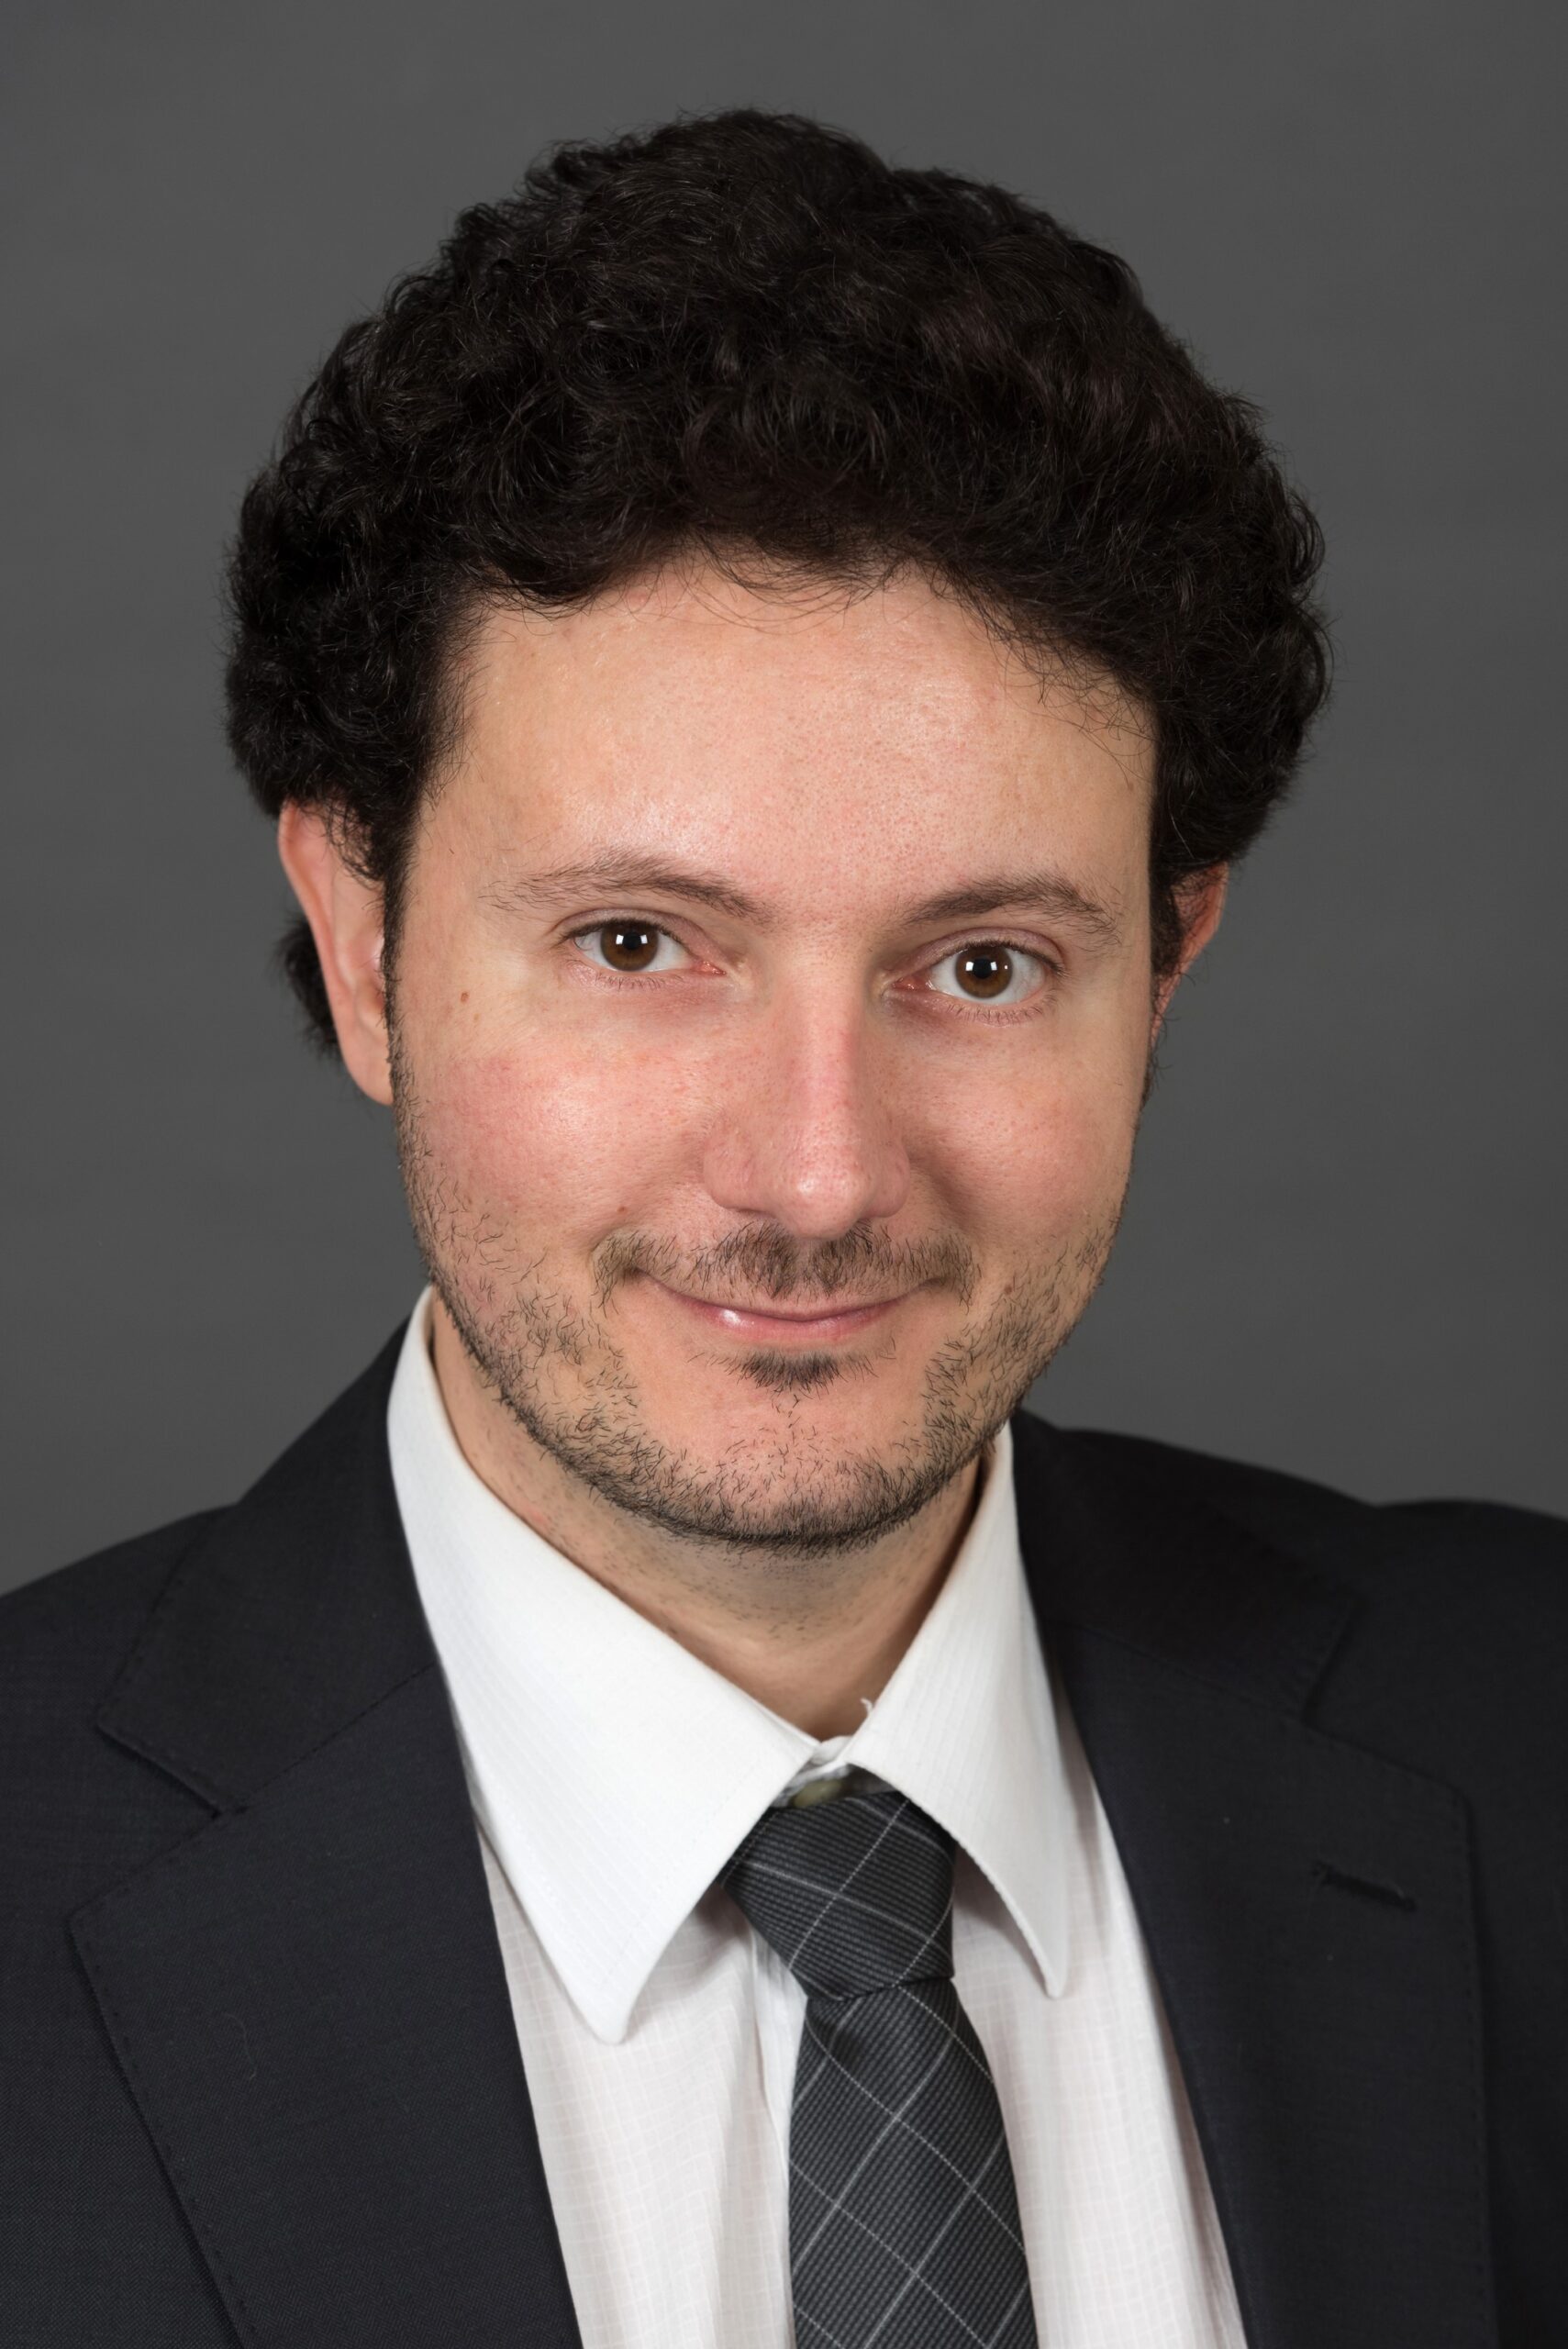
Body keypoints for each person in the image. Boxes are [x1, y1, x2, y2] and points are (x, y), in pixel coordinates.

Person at [3, 106, 1562, 2349]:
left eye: (984, 964)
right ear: (362, 945)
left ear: (1167, 966)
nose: (818, 1177)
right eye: (640, 944)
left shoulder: (1525, 1734)